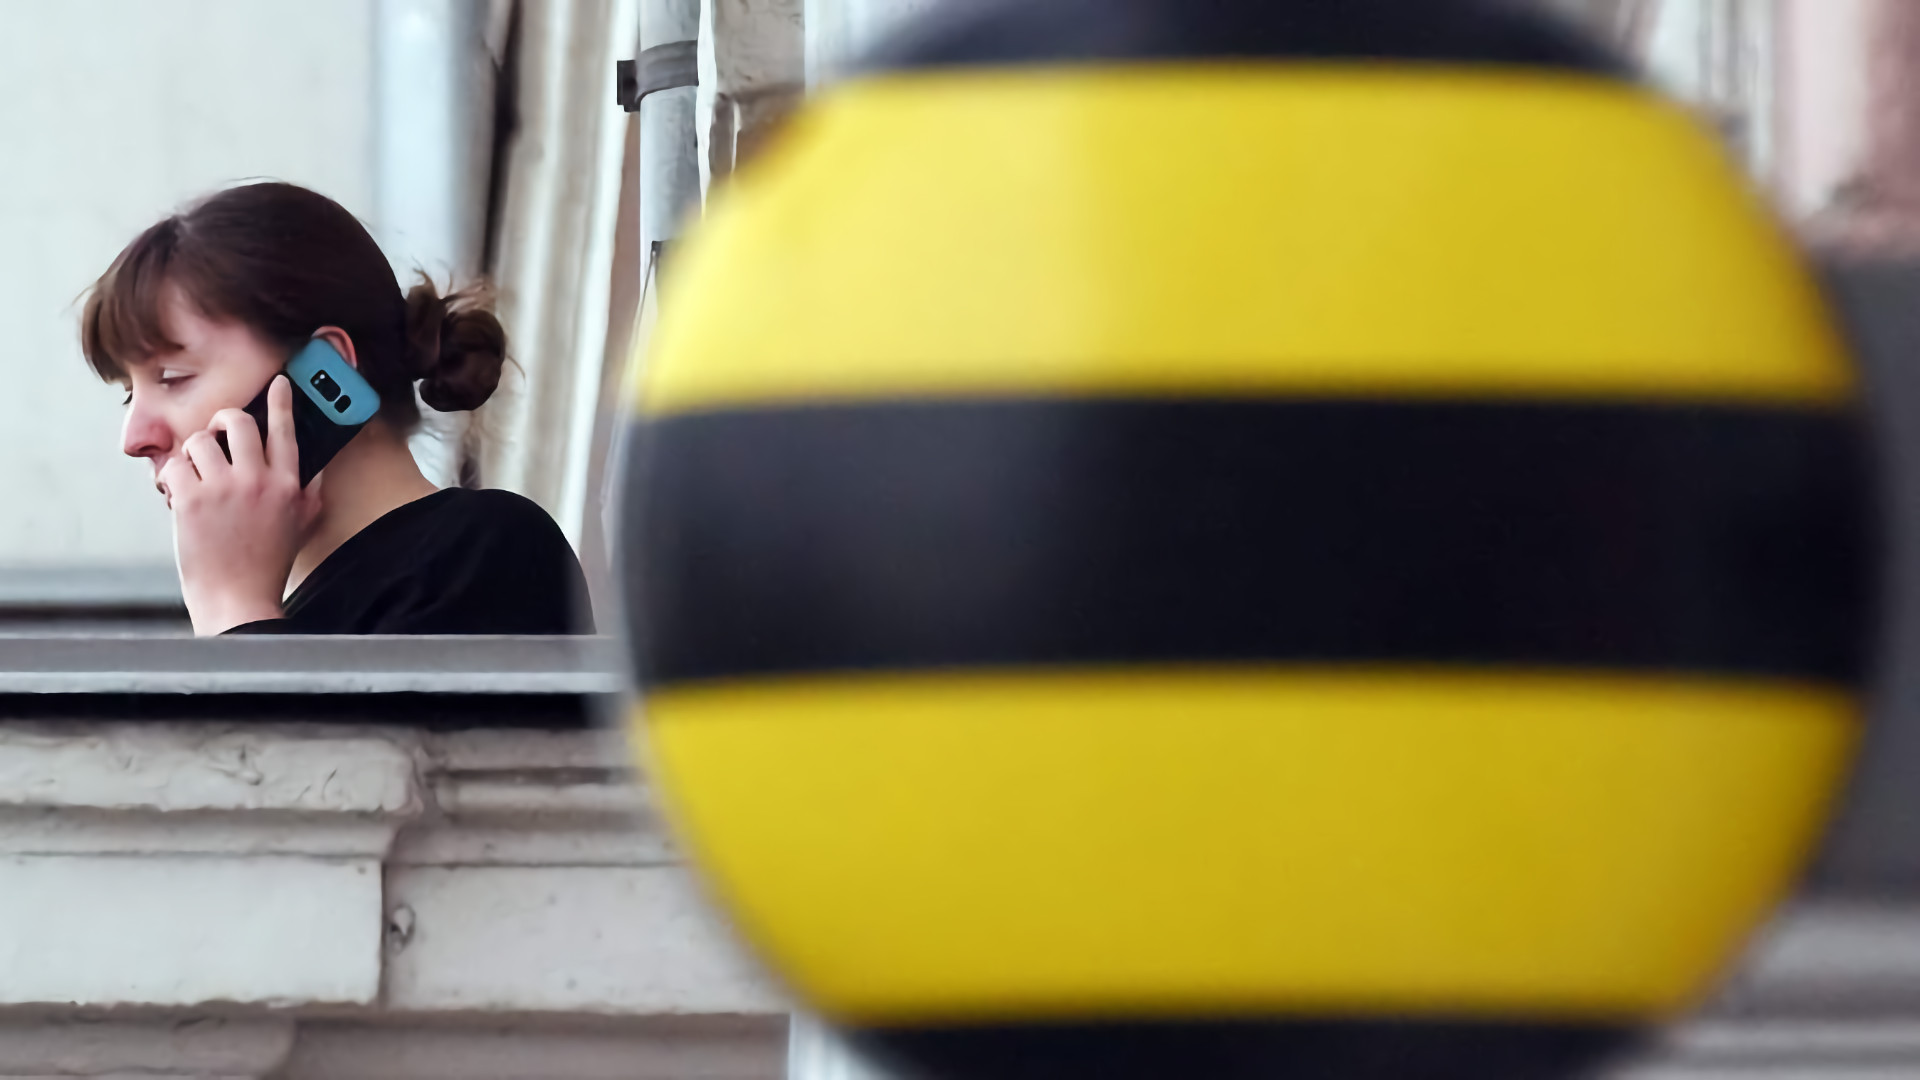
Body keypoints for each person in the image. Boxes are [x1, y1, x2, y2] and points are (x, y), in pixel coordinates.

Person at [80, 182, 592, 635]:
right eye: (129, 393)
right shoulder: (267, 616)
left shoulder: (492, 552)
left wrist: (232, 610)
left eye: (173, 378)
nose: (134, 437)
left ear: (326, 375)